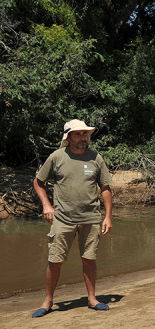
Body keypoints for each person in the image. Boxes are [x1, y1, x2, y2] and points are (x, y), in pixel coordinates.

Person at [31, 119, 114, 318]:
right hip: (62, 218)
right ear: (68, 137)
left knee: (89, 259)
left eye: (85, 134)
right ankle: (48, 300)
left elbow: (106, 188)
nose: (83, 138)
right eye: (78, 134)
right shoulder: (57, 157)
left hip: (91, 218)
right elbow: (38, 181)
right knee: (55, 261)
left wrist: (108, 216)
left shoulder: (96, 158)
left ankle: (92, 299)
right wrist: (46, 205)